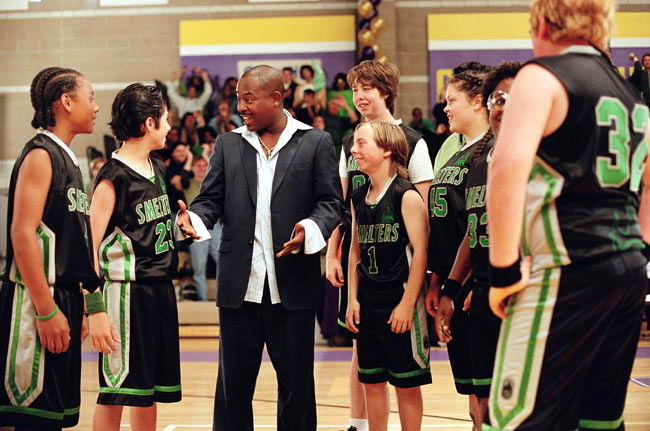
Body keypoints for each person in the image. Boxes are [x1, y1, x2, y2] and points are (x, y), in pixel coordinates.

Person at [485, 0, 650, 429]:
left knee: (514, 420)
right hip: (629, 271)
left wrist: (503, 272)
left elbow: (506, 168)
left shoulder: (542, 75)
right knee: (599, 420)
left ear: (542, 23)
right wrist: (641, 247)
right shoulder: (629, 92)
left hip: (567, 266)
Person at [176, 65, 343, 431]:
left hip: (292, 288)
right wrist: (195, 220)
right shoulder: (228, 144)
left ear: (276, 98)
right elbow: (209, 200)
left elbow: (331, 204)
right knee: (233, 391)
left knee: (297, 390)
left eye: (249, 99)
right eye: (239, 99)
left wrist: (310, 229)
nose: (241, 107)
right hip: (240, 289)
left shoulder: (315, 142)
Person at [325, 59, 434, 431]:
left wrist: (418, 290)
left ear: (386, 92)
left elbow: (422, 222)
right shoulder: (350, 145)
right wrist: (332, 252)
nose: (358, 96)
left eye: (366, 88)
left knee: (403, 376)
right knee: (363, 359)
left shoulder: (414, 142)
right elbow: (341, 206)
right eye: (354, 89)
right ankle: (359, 423)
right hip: (365, 276)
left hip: (399, 278)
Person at [0, 67, 100, 429]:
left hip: (64, 299)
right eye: (90, 97)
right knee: (33, 418)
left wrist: (82, 305)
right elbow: (22, 233)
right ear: (67, 102)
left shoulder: (69, 159)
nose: (96, 107)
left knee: (54, 418)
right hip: (36, 302)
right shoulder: (41, 155)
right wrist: (45, 310)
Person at [88, 83, 180, 431]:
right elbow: (89, 246)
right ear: (148, 123)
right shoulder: (112, 177)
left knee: (147, 392)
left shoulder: (158, 169)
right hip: (125, 294)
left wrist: (180, 227)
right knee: (115, 392)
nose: (169, 126)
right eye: (165, 119)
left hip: (160, 289)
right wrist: (94, 309)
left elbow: (149, 230)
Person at [436, 62, 521, 430]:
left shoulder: (529, 157)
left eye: (512, 100)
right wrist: (450, 288)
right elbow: (472, 232)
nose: (502, 108)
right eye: (497, 100)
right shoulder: (474, 159)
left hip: (514, 295)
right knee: (481, 399)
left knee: (513, 401)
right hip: (479, 292)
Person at [346, 121, 431, 431]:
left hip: (399, 297)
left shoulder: (405, 195)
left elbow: (421, 252)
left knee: (406, 384)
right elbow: (355, 251)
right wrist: (352, 299)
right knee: (371, 381)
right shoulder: (358, 196)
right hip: (367, 300)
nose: (353, 150)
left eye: (361, 143)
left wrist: (408, 304)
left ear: (386, 150)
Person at [424, 61, 493, 430]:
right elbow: (446, 225)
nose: (445, 107)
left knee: (488, 390)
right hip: (454, 281)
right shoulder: (455, 151)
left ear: (478, 100)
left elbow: (482, 226)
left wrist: (475, 283)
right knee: (472, 388)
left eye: (452, 100)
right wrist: (439, 281)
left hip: (477, 284)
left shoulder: (492, 150)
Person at [186, 157, 222, 302]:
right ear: (193, 168)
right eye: (198, 166)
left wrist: (209, 163)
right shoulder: (188, 183)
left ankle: (223, 298)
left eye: (204, 166)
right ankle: (203, 300)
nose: (201, 168)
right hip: (196, 228)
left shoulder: (213, 182)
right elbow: (181, 176)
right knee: (199, 268)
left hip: (216, 226)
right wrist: (190, 157)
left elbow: (216, 167)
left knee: (223, 263)